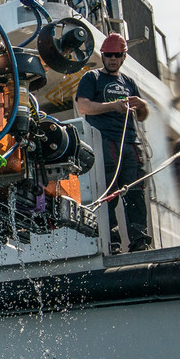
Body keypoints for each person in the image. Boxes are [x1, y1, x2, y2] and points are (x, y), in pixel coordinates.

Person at [74, 33, 151, 253]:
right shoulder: (92, 78)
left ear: (123, 56)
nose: (113, 59)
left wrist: (142, 105)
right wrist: (113, 106)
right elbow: (84, 107)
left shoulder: (129, 83)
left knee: (135, 191)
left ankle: (140, 241)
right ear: (103, 55)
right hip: (105, 141)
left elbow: (143, 115)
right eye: (108, 55)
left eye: (117, 55)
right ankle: (112, 242)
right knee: (109, 193)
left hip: (130, 142)